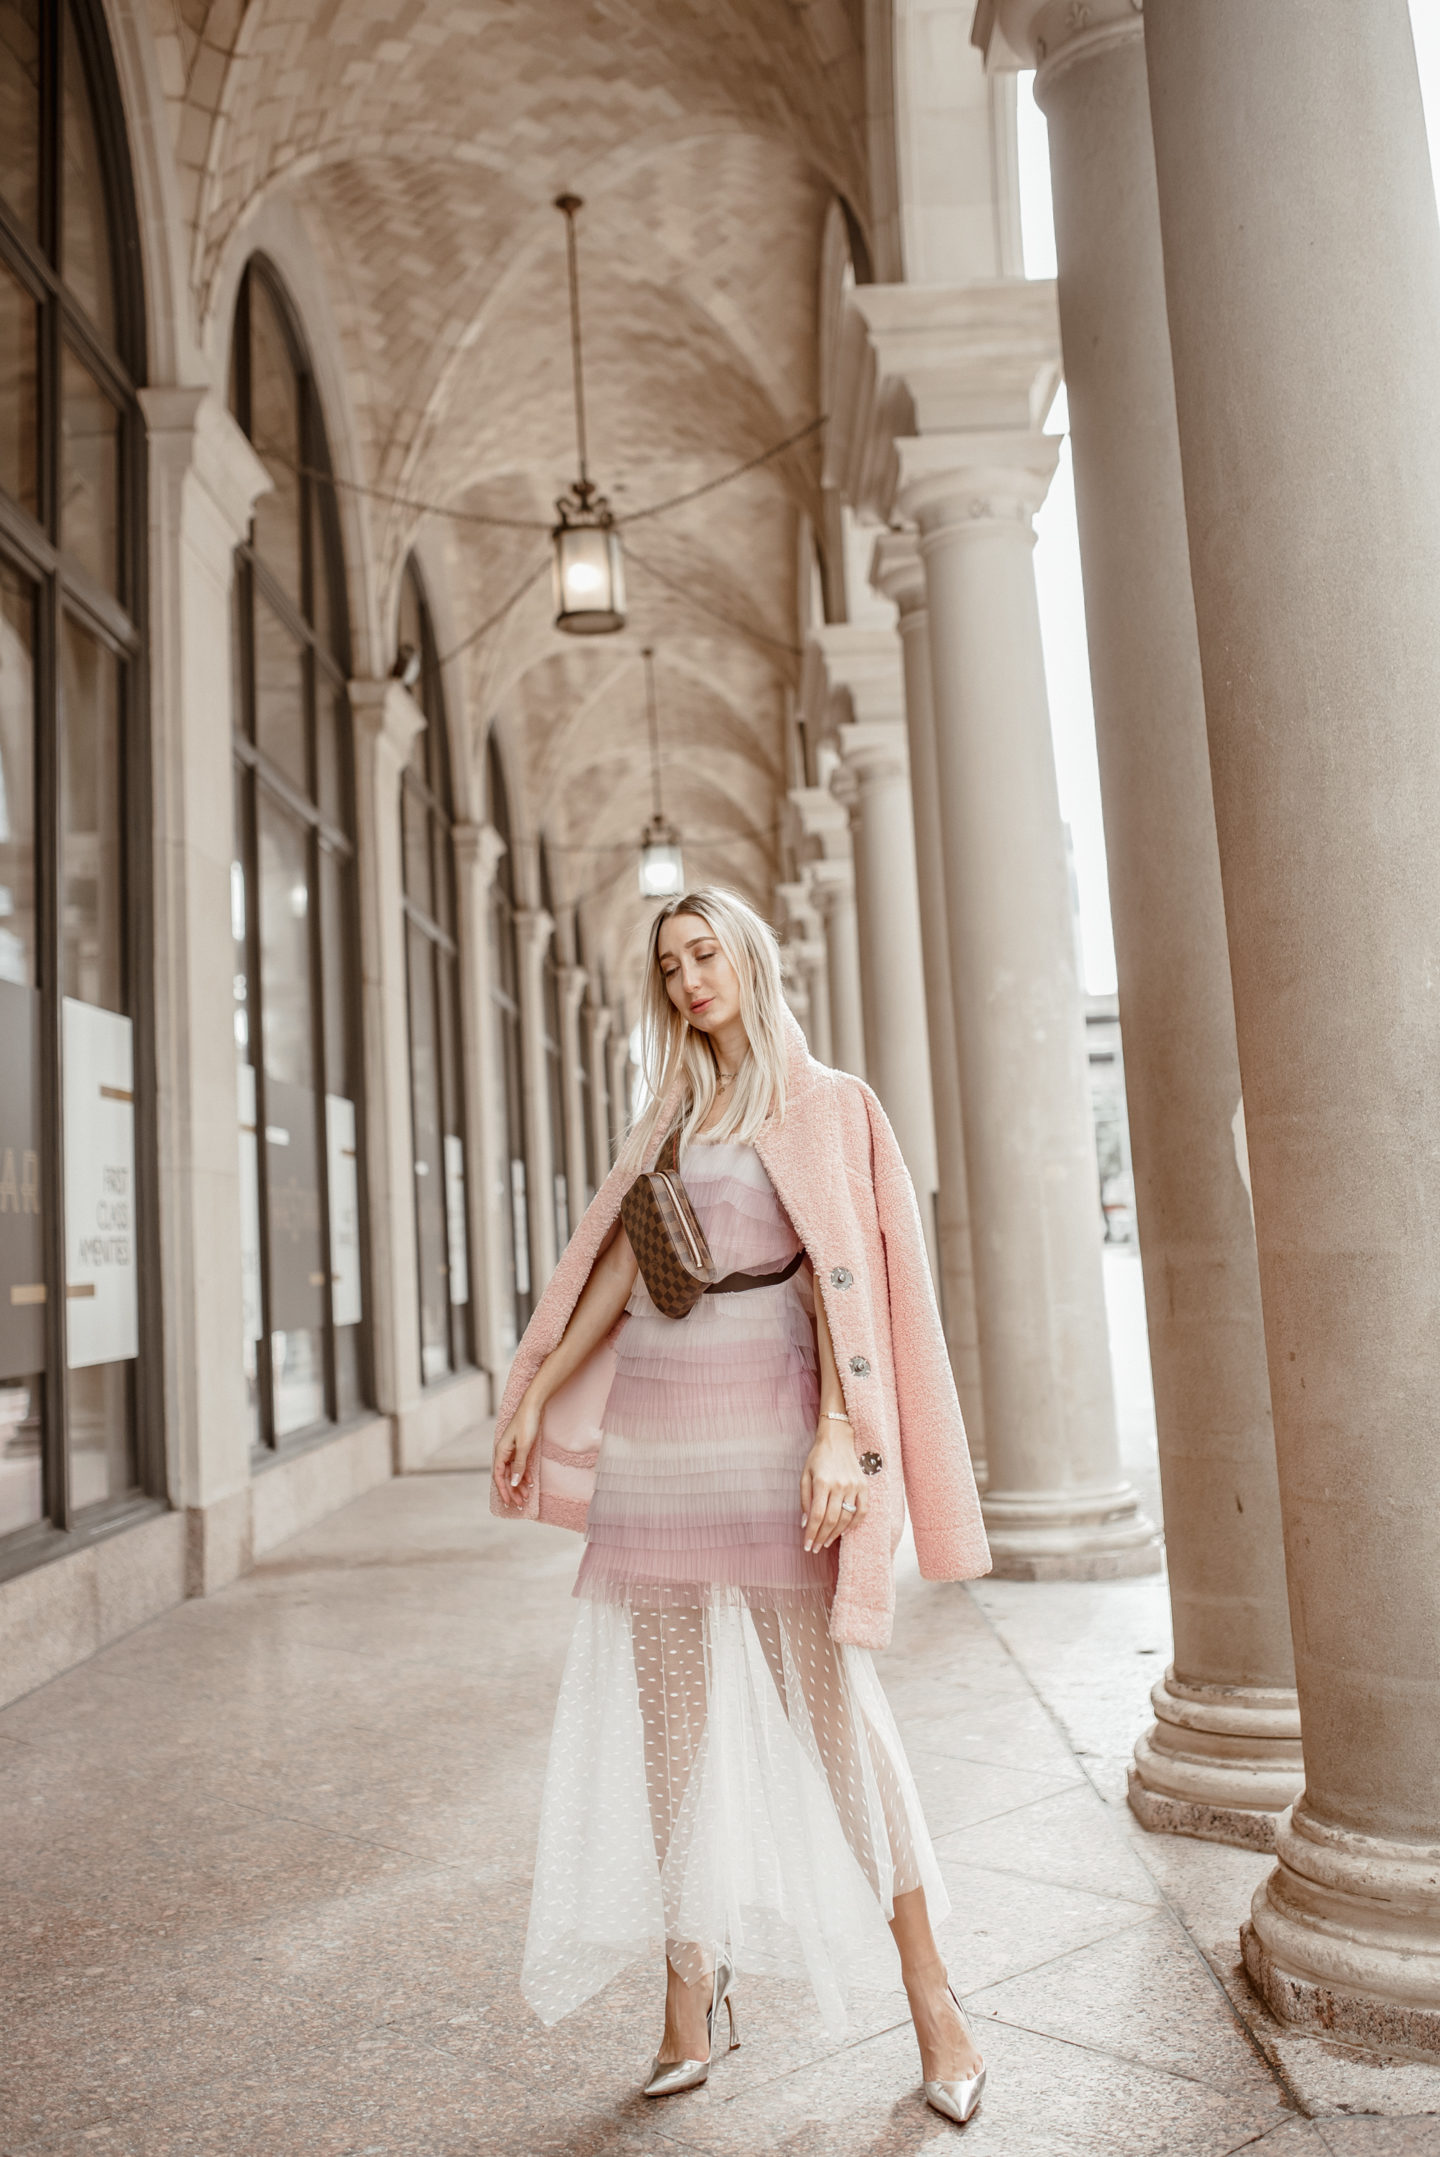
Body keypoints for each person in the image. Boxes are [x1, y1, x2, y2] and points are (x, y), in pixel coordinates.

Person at [493, 886, 991, 2125]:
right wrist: (532, 1388)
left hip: (776, 1424)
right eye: (668, 966)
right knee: (672, 1739)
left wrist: (841, 1433)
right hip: (660, 1433)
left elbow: (847, 1282)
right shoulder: (668, 1108)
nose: (688, 979)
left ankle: (937, 2008)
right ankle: (686, 1993)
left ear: (750, 957)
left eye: (705, 953)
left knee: (839, 1723)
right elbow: (621, 1258)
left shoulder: (830, 1108)